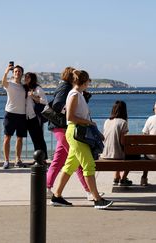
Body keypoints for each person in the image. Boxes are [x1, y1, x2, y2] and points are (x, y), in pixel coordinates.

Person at [51, 69, 113, 209]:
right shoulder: (74, 95)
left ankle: (57, 196)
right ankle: (97, 199)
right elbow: (70, 117)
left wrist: (93, 128)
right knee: (89, 165)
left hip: (77, 132)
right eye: (88, 82)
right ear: (85, 82)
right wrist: (90, 123)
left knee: (70, 165)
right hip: (76, 133)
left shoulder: (78, 94)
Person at [46, 67, 98, 201]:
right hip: (65, 128)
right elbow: (59, 106)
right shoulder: (66, 89)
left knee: (64, 160)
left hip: (64, 128)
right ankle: (90, 192)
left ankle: (50, 190)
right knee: (82, 161)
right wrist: (74, 113)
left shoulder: (72, 90)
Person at [100, 100, 132, 186]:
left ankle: (116, 177)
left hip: (105, 154)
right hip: (116, 155)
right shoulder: (123, 122)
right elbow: (122, 142)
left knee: (116, 148)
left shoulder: (107, 121)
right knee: (131, 154)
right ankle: (123, 178)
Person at [1, 63, 27, 169]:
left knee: (20, 139)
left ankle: (18, 160)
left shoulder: (24, 87)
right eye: (15, 71)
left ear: (22, 74)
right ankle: (6, 161)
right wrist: (6, 71)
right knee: (7, 138)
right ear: (13, 73)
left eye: (19, 71)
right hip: (10, 114)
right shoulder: (9, 84)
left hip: (22, 115)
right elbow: (3, 82)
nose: (17, 73)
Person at [23, 72, 48, 164]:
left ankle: (44, 159)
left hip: (35, 117)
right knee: (34, 139)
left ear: (32, 78)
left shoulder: (37, 89)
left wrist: (33, 96)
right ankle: (37, 158)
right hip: (27, 117)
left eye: (28, 77)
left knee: (40, 138)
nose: (26, 78)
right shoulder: (24, 88)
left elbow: (45, 101)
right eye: (25, 77)